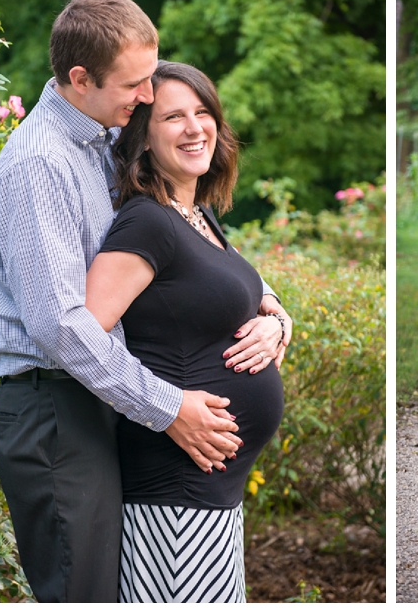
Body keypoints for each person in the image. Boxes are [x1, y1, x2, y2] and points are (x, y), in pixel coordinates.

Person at [0, 0, 291, 602]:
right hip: (56, 408)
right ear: (80, 77)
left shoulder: (102, 141)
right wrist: (169, 406)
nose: (149, 98)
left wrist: (269, 307)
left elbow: (176, 238)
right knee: (84, 593)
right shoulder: (40, 164)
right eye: (136, 85)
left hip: (97, 402)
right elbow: (62, 326)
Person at [85, 61, 284, 602]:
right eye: (174, 116)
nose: (195, 127)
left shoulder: (197, 216)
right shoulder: (146, 221)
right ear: (144, 137)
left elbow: (250, 292)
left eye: (203, 112)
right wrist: (166, 406)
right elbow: (84, 333)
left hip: (210, 493)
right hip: (174, 491)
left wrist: (278, 324)